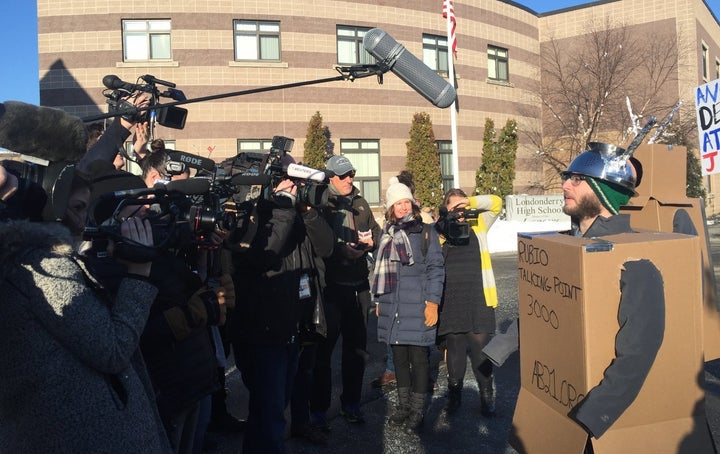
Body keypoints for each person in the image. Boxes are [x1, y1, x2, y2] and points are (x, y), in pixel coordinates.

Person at [0, 163, 171, 453]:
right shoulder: (47, 267)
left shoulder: (32, 260)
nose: (82, 222)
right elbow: (112, 350)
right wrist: (139, 272)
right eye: (78, 207)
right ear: (52, 208)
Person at [560, 142, 665, 443]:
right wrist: (499, 348)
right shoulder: (568, 244)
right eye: (567, 176)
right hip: (559, 398)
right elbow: (546, 305)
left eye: (577, 179)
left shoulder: (632, 258)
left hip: (590, 424)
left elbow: (640, 349)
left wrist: (593, 416)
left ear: (604, 192)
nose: (566, 184)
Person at [229, 178, 334, 453]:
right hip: (264, 328)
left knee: (274, 406)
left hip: (295, 322)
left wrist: (307, 211)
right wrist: (282, 206)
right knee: (271, 412)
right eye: (287, 182)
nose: (294, 188)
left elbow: (326, 247)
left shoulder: (295, 215)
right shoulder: (253, 215)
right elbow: (264, 254)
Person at [309, 155, 381, 427]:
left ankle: (351, 404)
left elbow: (376, 231)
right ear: (330, 178)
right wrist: (340, 250)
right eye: (343, 175)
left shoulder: (361, 203)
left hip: (360, 286)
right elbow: (316, 244)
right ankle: (318, 410)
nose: (350, 178)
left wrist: (372, 241)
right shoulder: (320, 204)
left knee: (356, 351)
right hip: (331, 288)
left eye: (351, 172)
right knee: (323, 354)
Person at [372, 177, 445, 433]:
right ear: (391, 208)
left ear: (412, 204)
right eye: (398, 203)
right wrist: (380, 299)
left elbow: (436, 268)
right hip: (394, 306)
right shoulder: (387, 234)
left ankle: (417, 410)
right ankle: (404, 407)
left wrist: (433, 303)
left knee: (420, 359)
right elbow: (379, 270)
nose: (403, 207)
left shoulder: (425, 232)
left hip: (418, 306)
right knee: (400, 359)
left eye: (406, 202)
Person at [435, 189, 502, 416]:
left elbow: (496, 203)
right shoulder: (442, 230)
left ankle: (486, 396)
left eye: (461, 208)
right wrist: (443, 224)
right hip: (451, 297)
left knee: (481, 350)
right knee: (454, 349)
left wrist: (469, 202)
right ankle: (454, 398)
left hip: (478, 296)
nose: (459, 214)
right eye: (453, 209)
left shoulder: (479, 223)